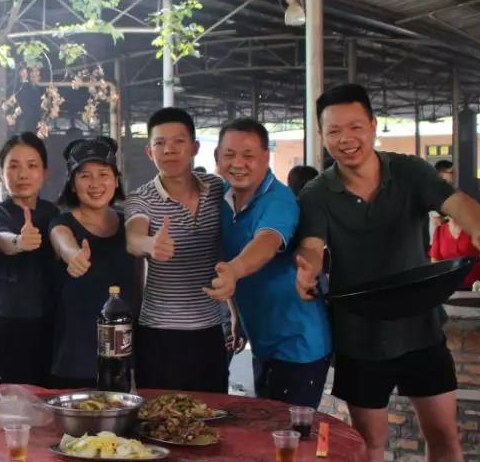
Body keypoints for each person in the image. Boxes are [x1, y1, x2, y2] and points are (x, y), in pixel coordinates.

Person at [295, 83, 480, 462]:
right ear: (321, 135)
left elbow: (456, 203)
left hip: (421, 328)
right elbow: (312, 246)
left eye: (355, 127)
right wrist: (308, 268)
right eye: (334, 130)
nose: (345, 139)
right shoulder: (317, 193)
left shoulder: (408, 171)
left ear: (373, 126)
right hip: (360, 334)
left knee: (443, 433)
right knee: (371, 442)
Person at [208, 118, 332, 407]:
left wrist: (235, 270)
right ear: (217, 157)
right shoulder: (223, 197)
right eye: (229, 154)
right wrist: (236, 313)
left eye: (248, 155)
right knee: (268, 427)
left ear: (266, 157)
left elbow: (266, 242)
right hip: (263, 341)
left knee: (292, 431)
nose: (238, 163)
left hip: (298, 345)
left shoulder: (278, 200)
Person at [125, 108, 226, 393]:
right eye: (160, 143)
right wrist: (150, 244)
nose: (169, 150)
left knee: (214, 411)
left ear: (195, 147)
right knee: (159, 413)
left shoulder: (218, 189)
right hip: (159, 333)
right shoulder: (141, 198)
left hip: (210, 330)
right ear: (149, 152)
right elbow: (133, 237)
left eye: (178, 141)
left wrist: (235, 313)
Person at [48, 137, 136, 388]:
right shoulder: (62, 223)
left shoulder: (130, 223)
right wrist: (74, 256)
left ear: (116, 180)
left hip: (124, 356)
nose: (95, 183)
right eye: (85, 176)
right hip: (76, 359)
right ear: (72, 184)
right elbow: (62, 242)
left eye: (103, 174)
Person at [0, 133, 58, 384]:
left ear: (44, 172)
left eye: (32, 166)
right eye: (13, 166)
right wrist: (19, 242)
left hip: (53, 327)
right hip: (9, 331)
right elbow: (0, 238)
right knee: (12, 401)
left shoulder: (53, 213)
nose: (23, 174)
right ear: (1, 173)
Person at [429, 216, 480, 289]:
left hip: (475, 284)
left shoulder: (475, 227)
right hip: (448, 285)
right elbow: (435, 262)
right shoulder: (439, 230)